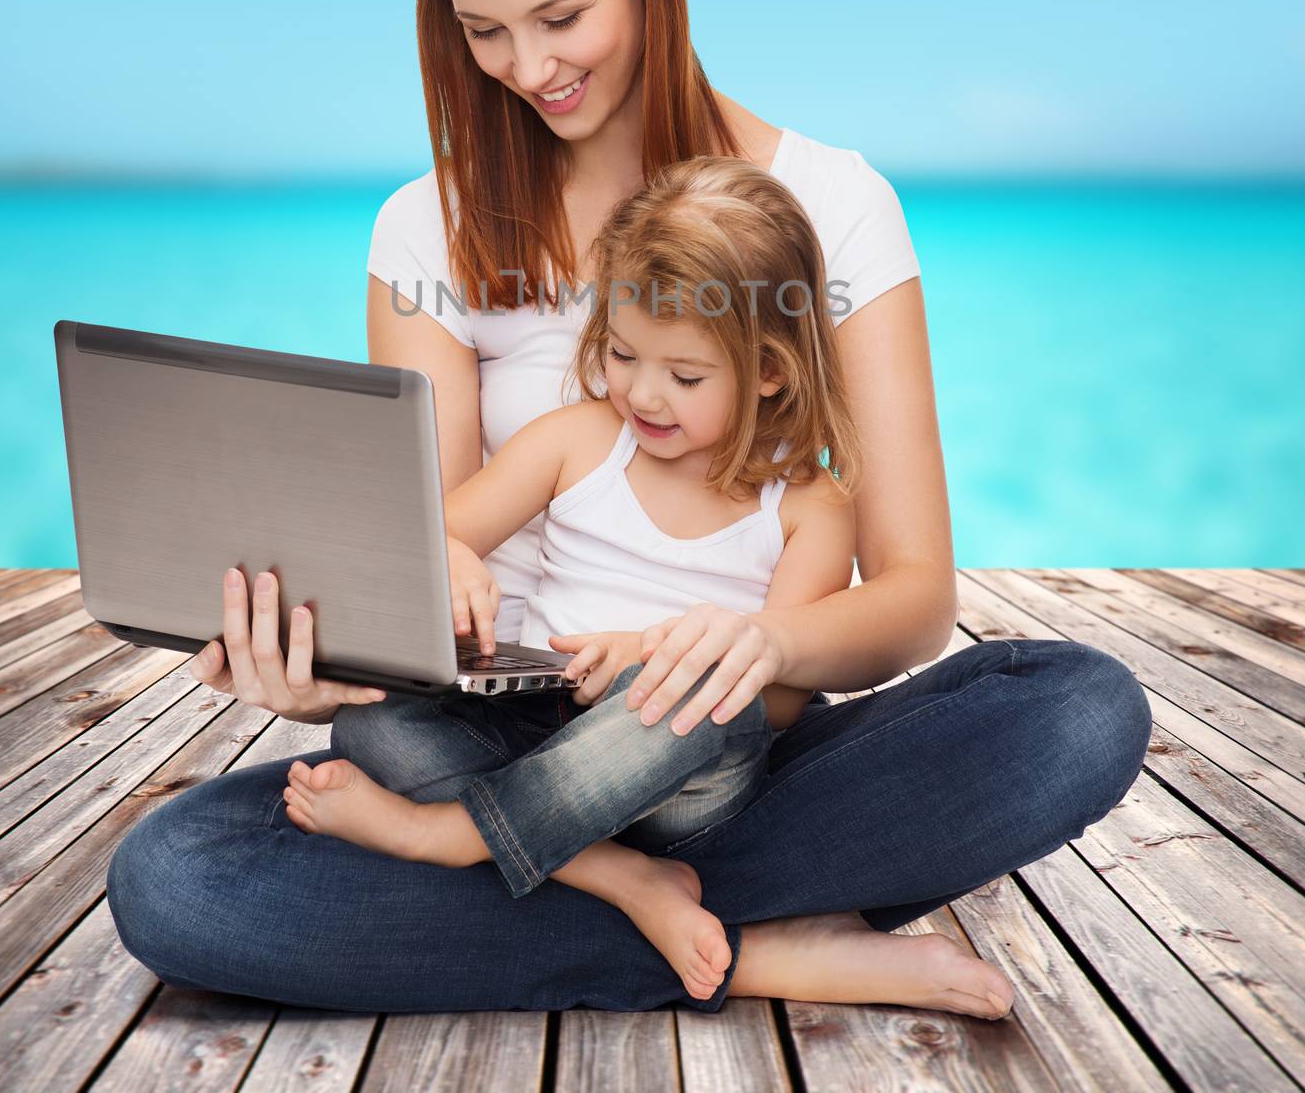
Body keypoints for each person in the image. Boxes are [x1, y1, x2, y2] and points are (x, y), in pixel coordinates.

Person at [104, 0, 1151, 1018]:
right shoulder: (422, 229)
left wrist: (763, 644)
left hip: (721, 735)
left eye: (560, 16)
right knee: (174, 880)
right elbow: (431, 555)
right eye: (483, 31)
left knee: (1075, 708)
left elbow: (914, 600)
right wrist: (319, 656)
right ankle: (747, 939)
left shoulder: (834, 205)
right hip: (489, 730)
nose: (529, 68)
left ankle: (552, 885)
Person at [281, 155, 958, 1006]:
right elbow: (434, 533)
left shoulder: (808, 506)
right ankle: (620, 880)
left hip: (683, 773)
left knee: (695, 701)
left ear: (772, 371)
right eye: (623, 352)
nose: (642, 392)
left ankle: (444, 838)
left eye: (684, 376)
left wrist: (651, 657)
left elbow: (775, 701)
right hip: (539, 728)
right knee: (374, 731)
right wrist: (447, 559)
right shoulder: (576, 439)